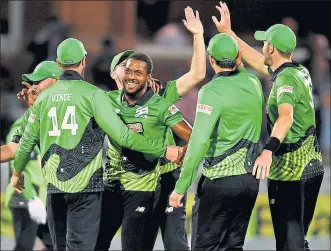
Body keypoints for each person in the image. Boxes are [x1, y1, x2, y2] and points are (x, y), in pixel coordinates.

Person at [10, 38, 183, 251]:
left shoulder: (44, 99)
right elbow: (123, 136)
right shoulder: (94, 95)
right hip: (86, 189)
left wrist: (17, 173)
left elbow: (25, 142)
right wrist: (164, 149)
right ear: (84, 61)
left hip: (54, 190)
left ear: (58, 62)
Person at [212, 2, 324, 250]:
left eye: (264, 43)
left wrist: (268, 150)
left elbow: (286, 117)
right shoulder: (296, 70)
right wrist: (228, 33)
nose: (261, 46)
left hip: (292, 172)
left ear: (271, 47)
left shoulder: (285, 80)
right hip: (311, 166)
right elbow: (259, 62)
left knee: (289, 244)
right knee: (295, 242)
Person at [102, 6, 205, 251]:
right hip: (120, 184)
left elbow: (197, 74)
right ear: (114, 72)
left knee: (175, 244)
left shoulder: (159, 95)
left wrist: (198, 36)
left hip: (165, 179)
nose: (131, 69)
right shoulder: (103, 103)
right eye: (124, 64)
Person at [169, 33, 264, 250]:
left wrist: (181, 187)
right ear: (238, 57)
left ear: (211, 60)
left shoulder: (211, 91)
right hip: (249, 182)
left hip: (219, 182)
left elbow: (199, 142)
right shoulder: (254, 82)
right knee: (233, 247)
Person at [3, 61, 61, 251]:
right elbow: (15, 164)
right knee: (24, 246)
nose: (34, 88)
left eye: (39, 82)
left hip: (45, 198)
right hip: (25, 198)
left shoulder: (56, 122)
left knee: (55, 246)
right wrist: (31, 198)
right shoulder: (22, 125)